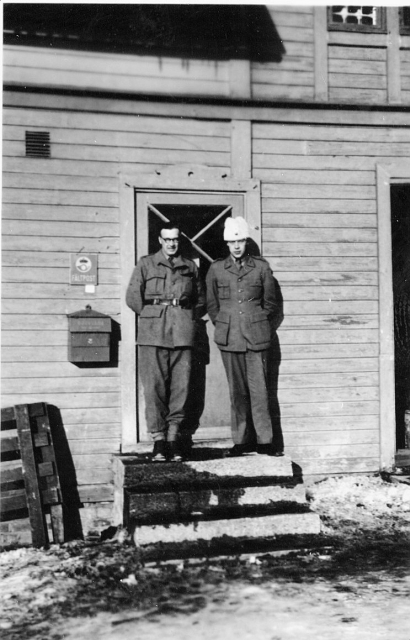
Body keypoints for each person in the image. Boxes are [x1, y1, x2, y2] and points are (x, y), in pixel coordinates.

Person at [126, 223, 206, 462]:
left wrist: (186, 317)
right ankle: (159, 440)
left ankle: (174, 438)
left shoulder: (190, 266)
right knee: (154, 387)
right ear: (160, 240)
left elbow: (201, 299)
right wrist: (152, 315)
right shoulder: (146, 264)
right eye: (167, 239)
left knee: (181, 387)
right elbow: (133, 297)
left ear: (179, 241)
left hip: (183, 332)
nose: (171, 243)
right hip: (153, 333)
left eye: (175, 239)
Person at [206, 216, 284, 456]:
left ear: (246, 242)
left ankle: (265, 441)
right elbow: (212, 304)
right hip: (230, 338)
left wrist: (257, 324)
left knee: (260, 391)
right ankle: (241, 441)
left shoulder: (260, 268)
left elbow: (271, 304)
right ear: (227, 244)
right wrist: (226, 324)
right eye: (232, 242)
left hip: (256, 338)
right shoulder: (217, 269)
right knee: (237, 393)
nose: (236, 246)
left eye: (240, 241)